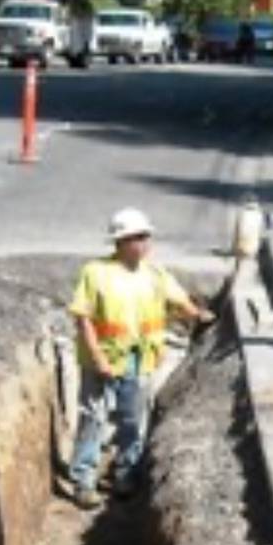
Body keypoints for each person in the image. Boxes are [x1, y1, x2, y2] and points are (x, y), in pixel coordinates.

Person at [67, 208, 213, 508]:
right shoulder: (96, 273)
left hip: (139, 359)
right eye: (138, 237)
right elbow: (83, 319)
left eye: (146, 236)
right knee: (94, 419)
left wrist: (199, 315)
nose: (145, 243)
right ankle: (83, 481)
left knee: (133, 419)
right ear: (120, 242)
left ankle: (125, 473)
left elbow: (180, 301)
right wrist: (97, 358)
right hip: (102, 360)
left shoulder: (155, 274)